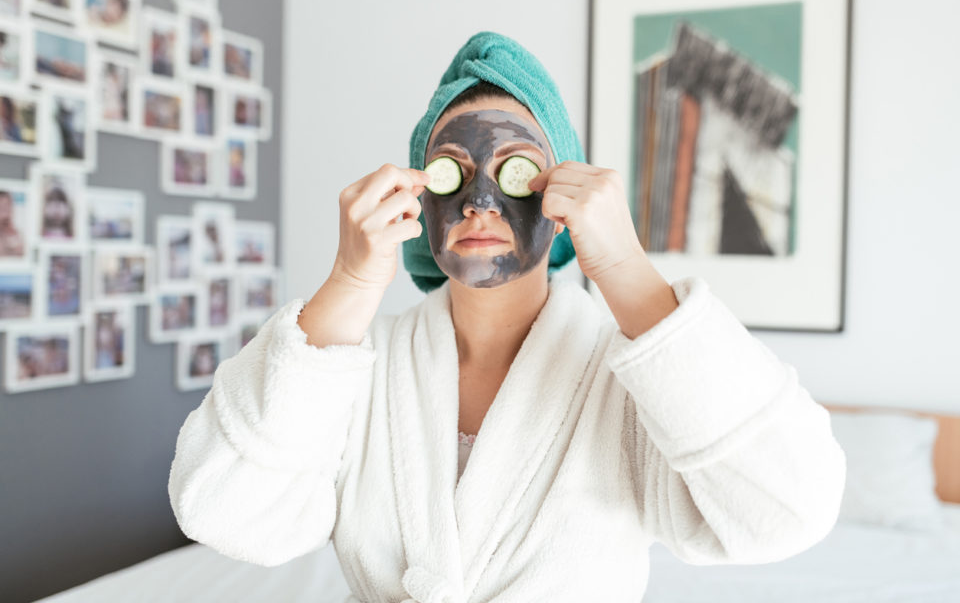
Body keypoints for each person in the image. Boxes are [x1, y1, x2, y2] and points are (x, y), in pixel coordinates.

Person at [168, 31, 846, 602]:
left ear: (561, 194)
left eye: (516, 169)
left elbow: (787, 510)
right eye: (449, 172)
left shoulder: (633, 381)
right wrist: (349, 279)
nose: (481, 201)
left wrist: (626, 271)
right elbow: (225, 512)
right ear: (418, 197)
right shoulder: (361, 368)